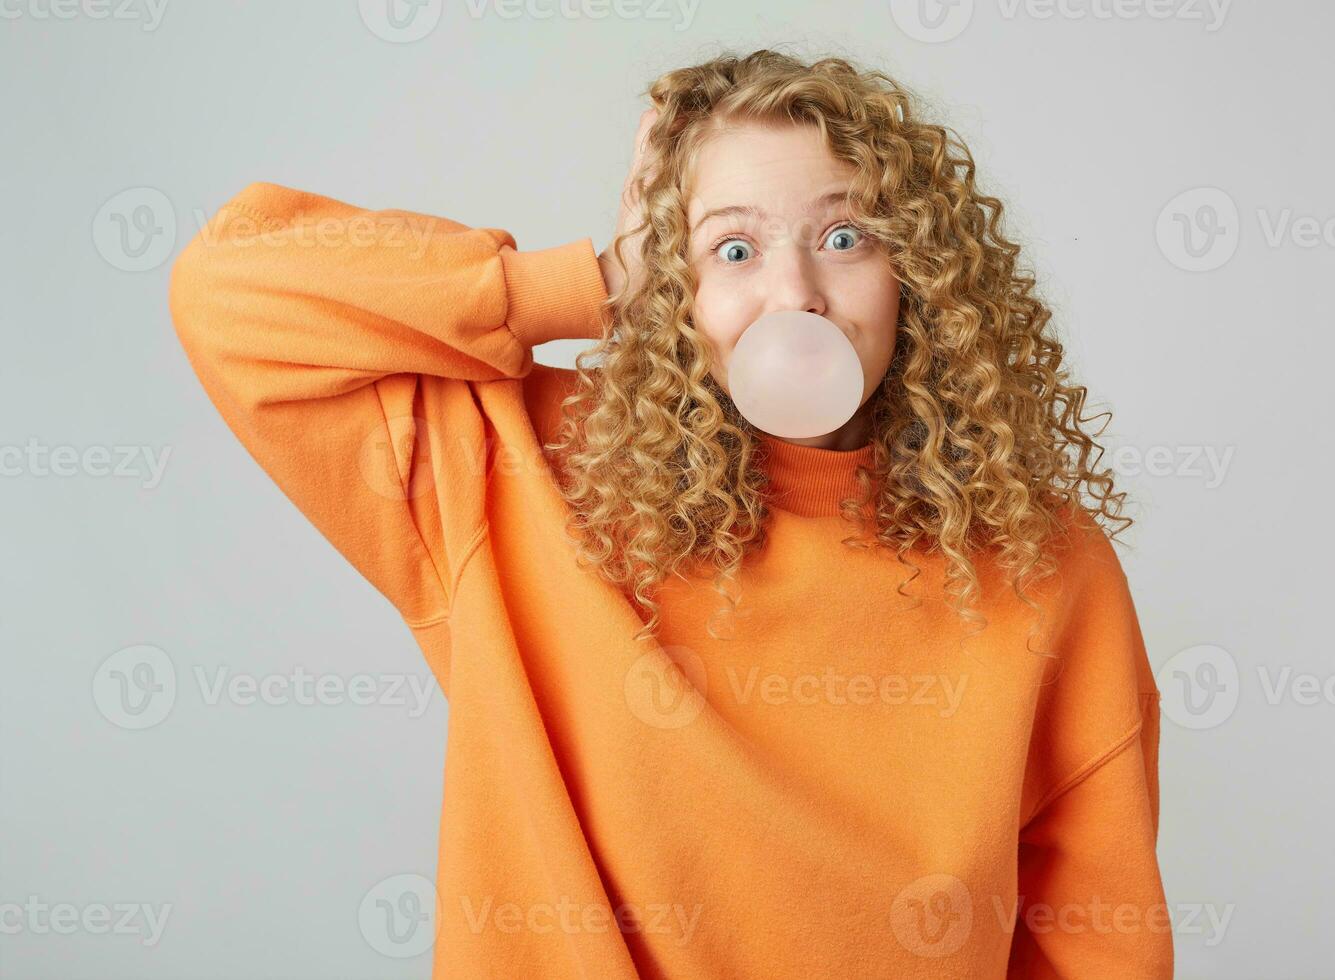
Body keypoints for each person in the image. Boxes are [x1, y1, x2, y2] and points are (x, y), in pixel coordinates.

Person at [169, 48, 1170, 979]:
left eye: (844, 235)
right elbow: (227, 289)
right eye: (732, 248)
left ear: (920, 271)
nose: (796, 292)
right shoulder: (519, 467)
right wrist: (594, 284)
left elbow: (1094, 941)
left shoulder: (1044, 561)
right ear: (671, 283)